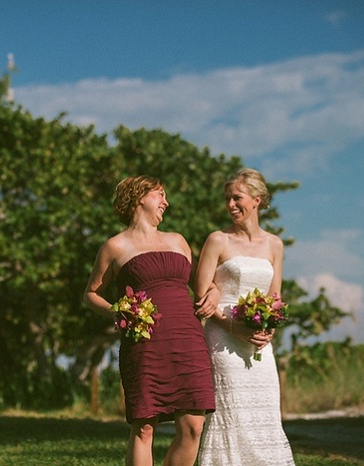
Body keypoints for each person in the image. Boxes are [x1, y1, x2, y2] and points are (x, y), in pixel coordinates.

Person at [83, 175, 216, 466]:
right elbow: (90, 295)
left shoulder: (178, 241)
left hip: (187, 340)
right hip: (144, 344)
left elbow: (203, 285)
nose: (166, 202)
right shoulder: (115, 247)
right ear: (140, 197)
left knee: (193, 426)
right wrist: (118, 311)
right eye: (160, 195)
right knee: (144, 427)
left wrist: (215, 292)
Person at [194, 168, 295, 465]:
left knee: (263, 408)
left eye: (236, 198)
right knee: (233, 411)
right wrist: (233, 325)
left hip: (259, 343)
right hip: (223, 339)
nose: (230, 204)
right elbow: (201, 295)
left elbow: (275, 297)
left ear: (257, 200)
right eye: (227, 199)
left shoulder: (274, 244)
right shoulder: (217, 240)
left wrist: (270, 329)